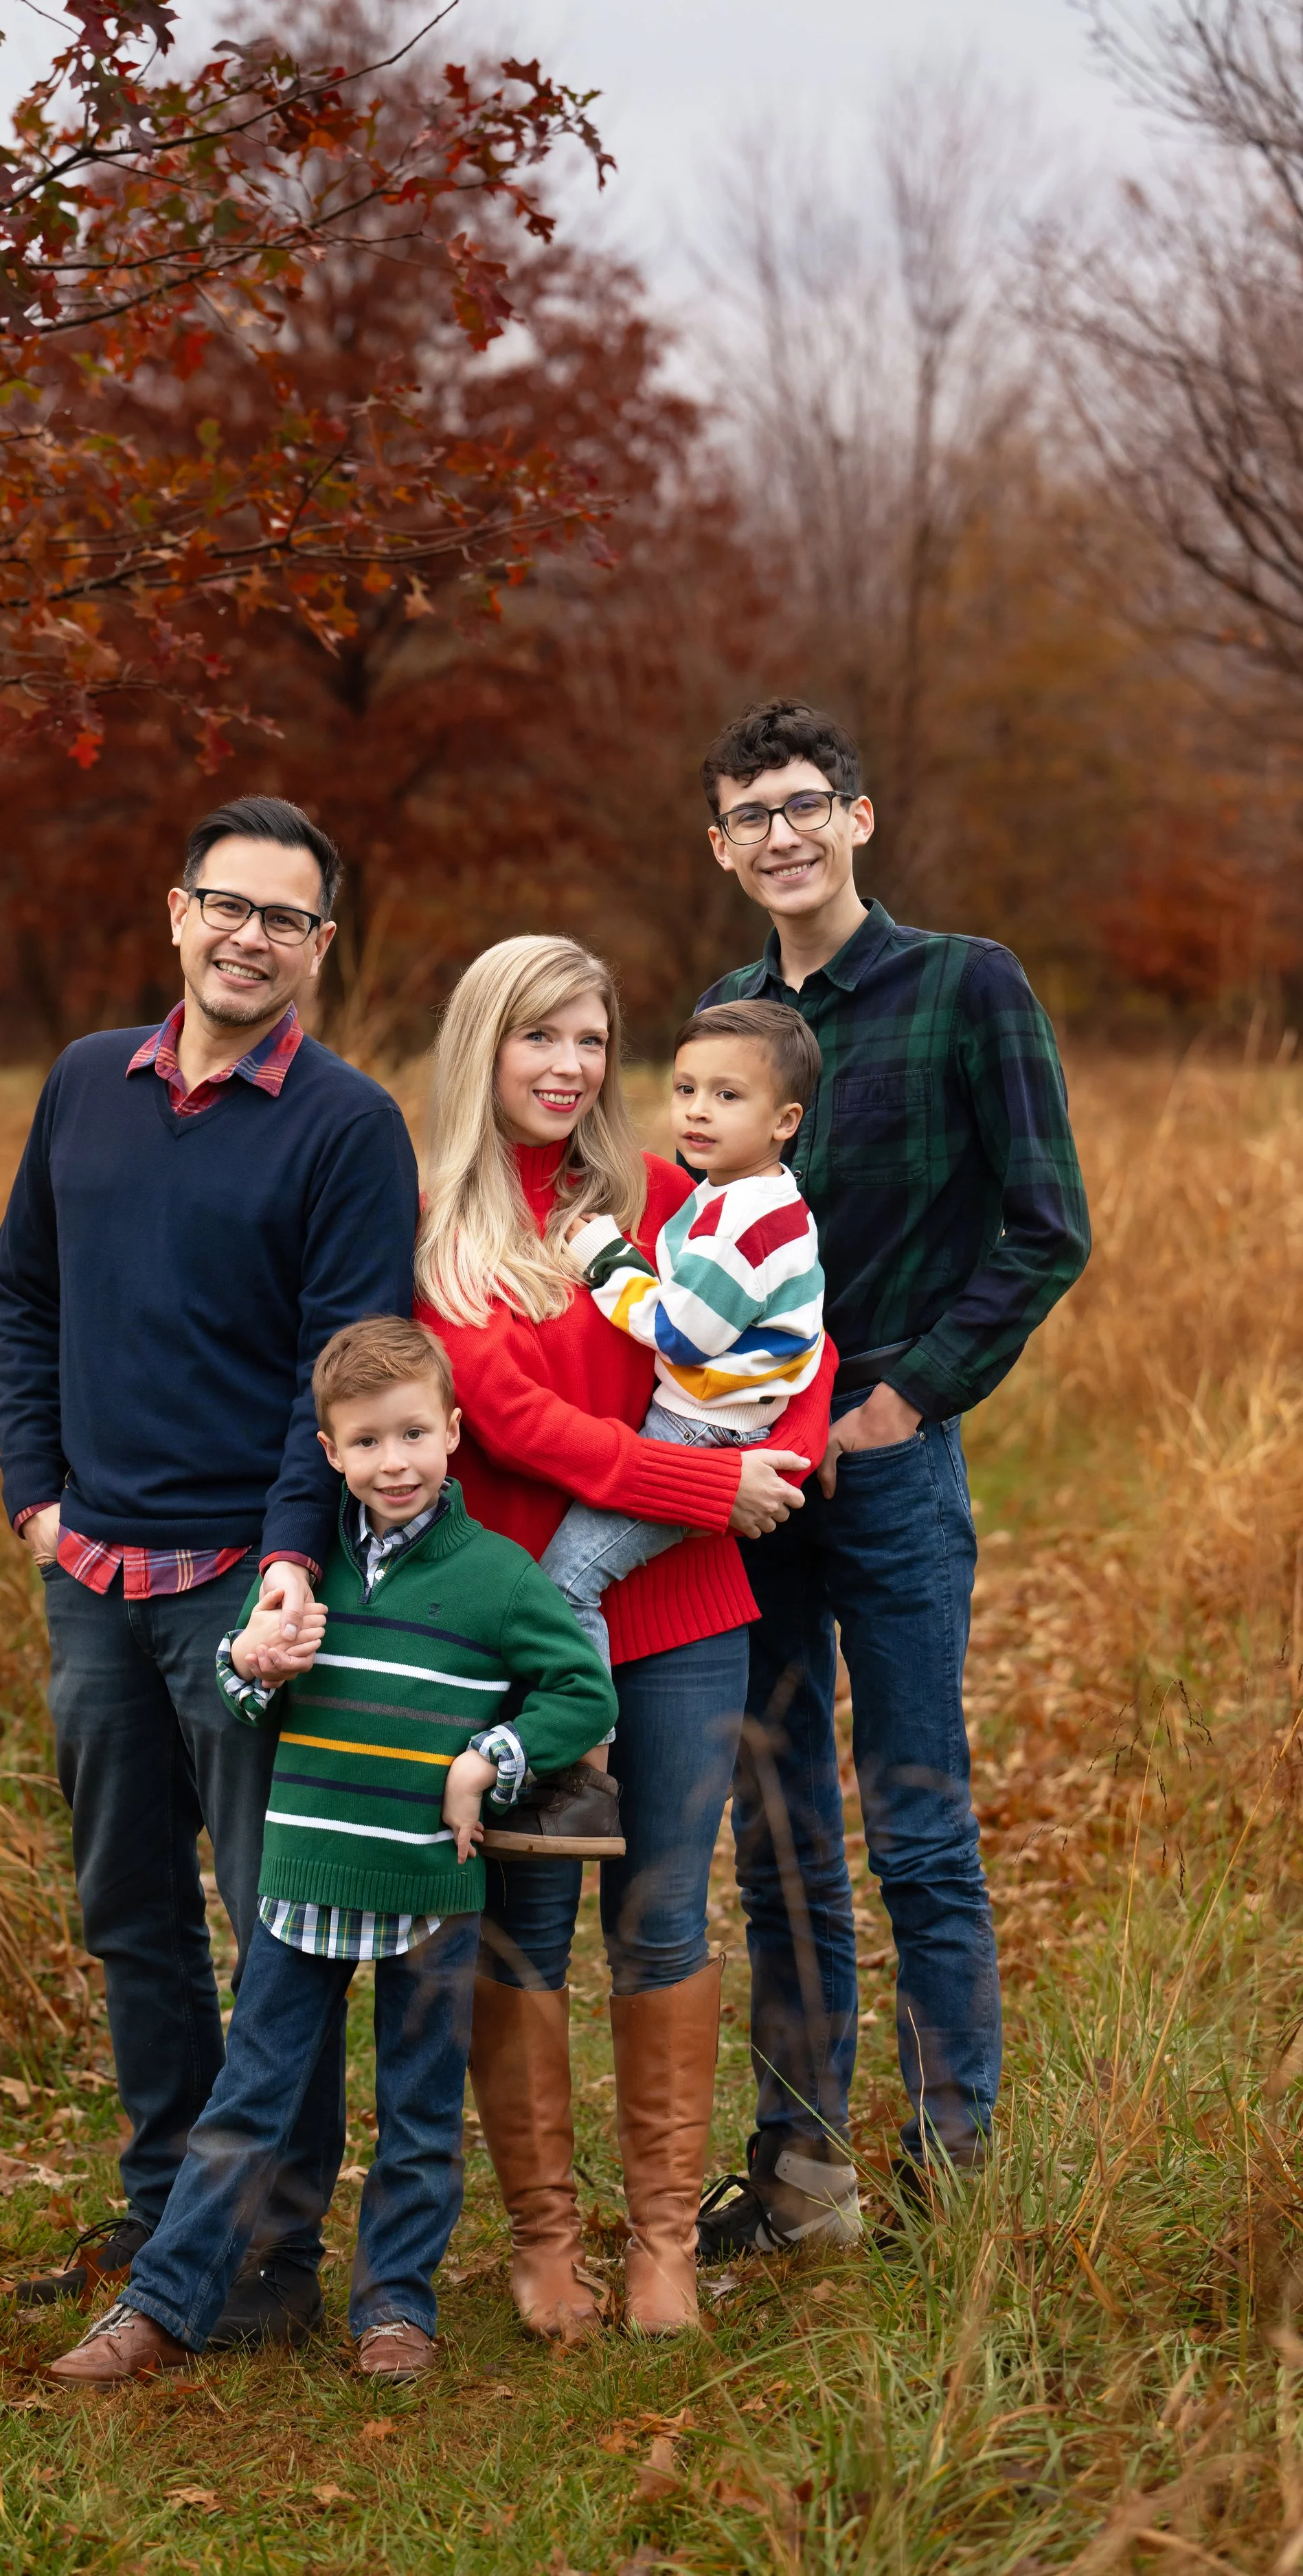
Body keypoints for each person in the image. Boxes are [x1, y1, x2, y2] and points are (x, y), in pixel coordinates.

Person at [0, 795, 419, 2338]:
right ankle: (162, 2202)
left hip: (249, 1585)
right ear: (175, 912)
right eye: (225, 907)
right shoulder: (83, 1086)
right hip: (90, 1578)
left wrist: (294, 1564)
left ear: (318, 946)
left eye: (285, 920)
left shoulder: (347, 1125)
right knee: (131, 1912)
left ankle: (269, 2252)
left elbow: (350, 1371)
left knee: (273, 1918)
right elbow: (21, 1293)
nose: (249, 939)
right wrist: (34, 1495)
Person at [690, 699, 1091, 2254]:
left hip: (891, 1470)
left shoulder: (963, 984)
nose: (782, 834)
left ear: (857, 816)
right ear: (721, 849)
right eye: (751, 816)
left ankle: (952, 2169)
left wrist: (909, 1393)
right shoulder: (729, 1009)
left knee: (916, 1821)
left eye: (807, 803)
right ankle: (801, 2172)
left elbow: (1045, 1223)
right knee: (772, 1827)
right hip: (747, 1489)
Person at [43, 1315, 617, 2387]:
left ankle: (397, 2304)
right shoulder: (303, 1580)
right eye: (364, 1442)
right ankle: (166, 2304)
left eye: (412, 1434)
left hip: (428, 1887)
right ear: (329, 1452)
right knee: (248, 2099)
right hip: (304, 1881)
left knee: (417, 2109)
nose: (392, 1462)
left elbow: (585, 1690)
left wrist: (491, 1757)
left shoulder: (495, 1577)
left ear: (453, 1429)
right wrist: (250, 1662)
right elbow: (243, 1695)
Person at [414, 935, 835, 2340]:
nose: (566, 1067)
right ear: (485, 1048)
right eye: (538, 1037)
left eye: (589, 1039)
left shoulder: (666, 1194)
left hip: (684, 1611)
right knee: (525, 1918)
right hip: (524, 1632)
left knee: (661, 1911)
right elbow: (517, 1425)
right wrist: (708, 1481)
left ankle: (659, 2245)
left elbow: (798, 1337)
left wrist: (782, 1440)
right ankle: (543, 2244)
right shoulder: (439, 1229)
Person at [542, 998, 827, 1665]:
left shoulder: (742, 1222)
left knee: (564, 1583)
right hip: (718, 1418)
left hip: (700, 1428)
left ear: (786, 1121)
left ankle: (581, 1744)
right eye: (686, 1089)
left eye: (727, 1095)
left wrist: (605, 1259)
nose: (697, 1110)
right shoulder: (752, 1197)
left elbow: (682, 1333)